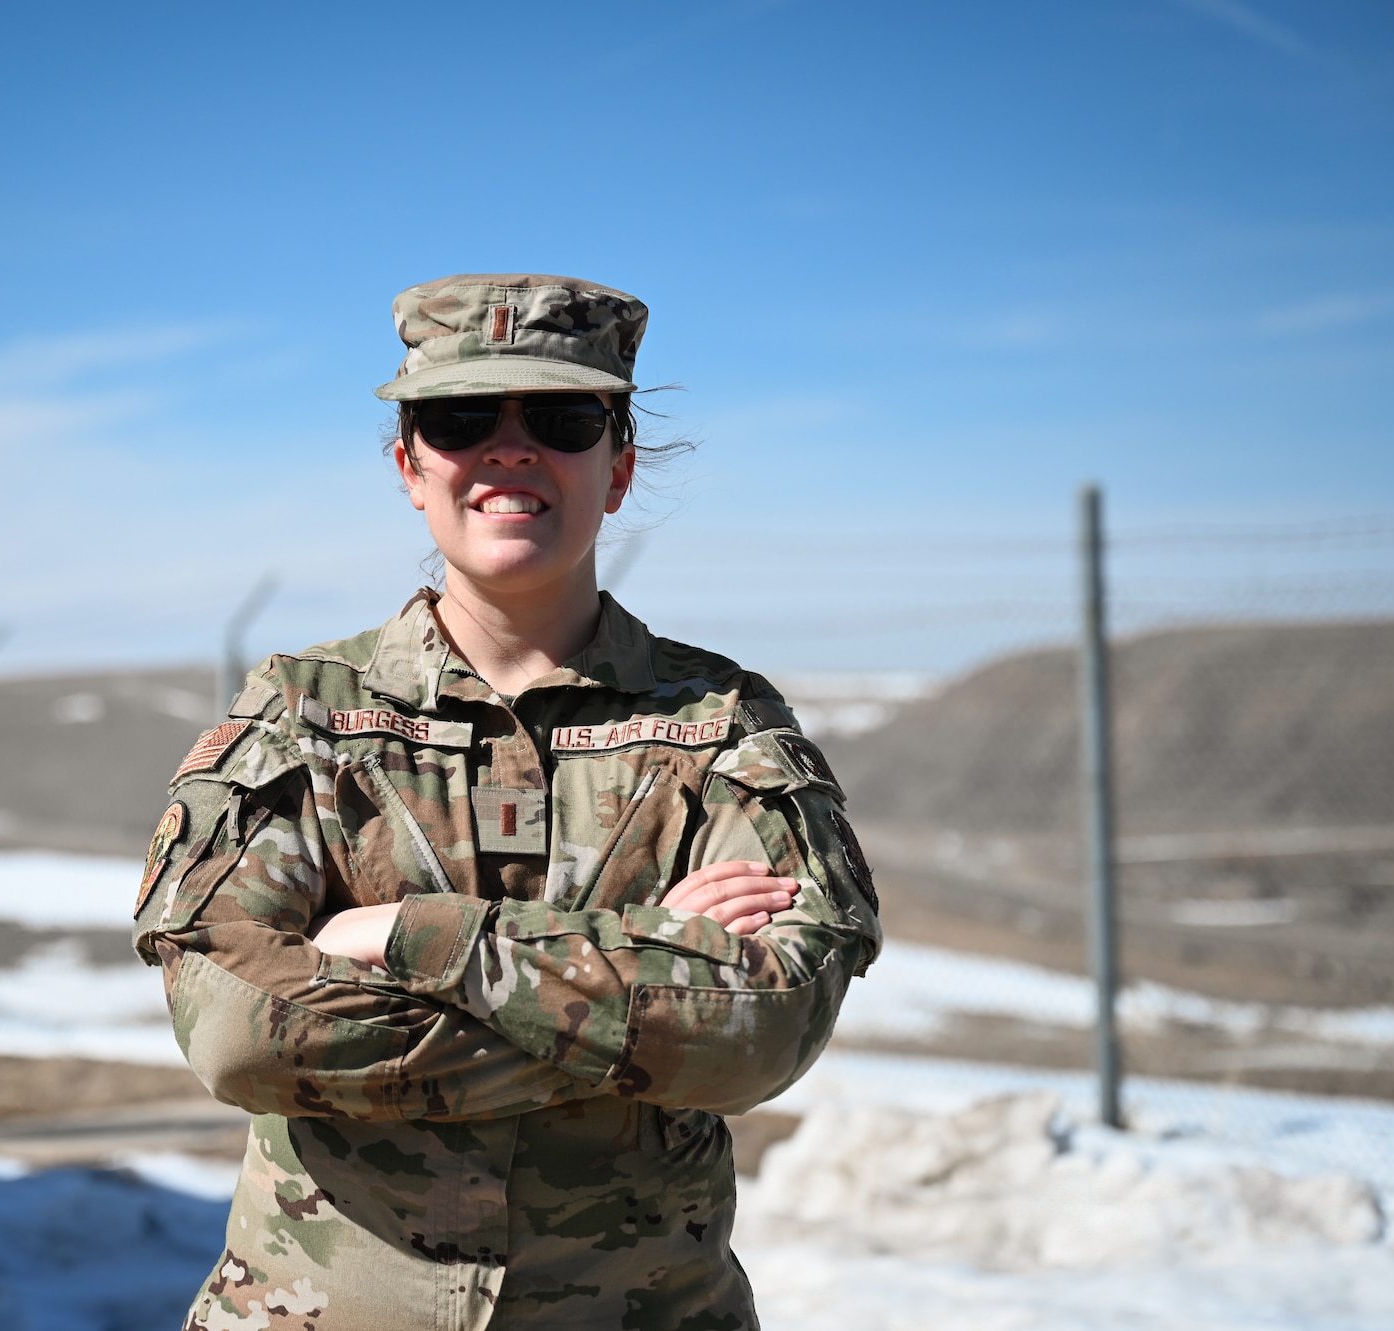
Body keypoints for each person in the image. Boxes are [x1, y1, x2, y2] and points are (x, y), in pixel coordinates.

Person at [131, 273, 882, 1331]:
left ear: (617, 467)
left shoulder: (718, 722)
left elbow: (763, 1027)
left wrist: (400, 934)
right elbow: (238, 1031)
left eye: (565, 419)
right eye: (460, 417)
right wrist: (635, 981)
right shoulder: (302, 714)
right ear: (409, 465)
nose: (511, 448)